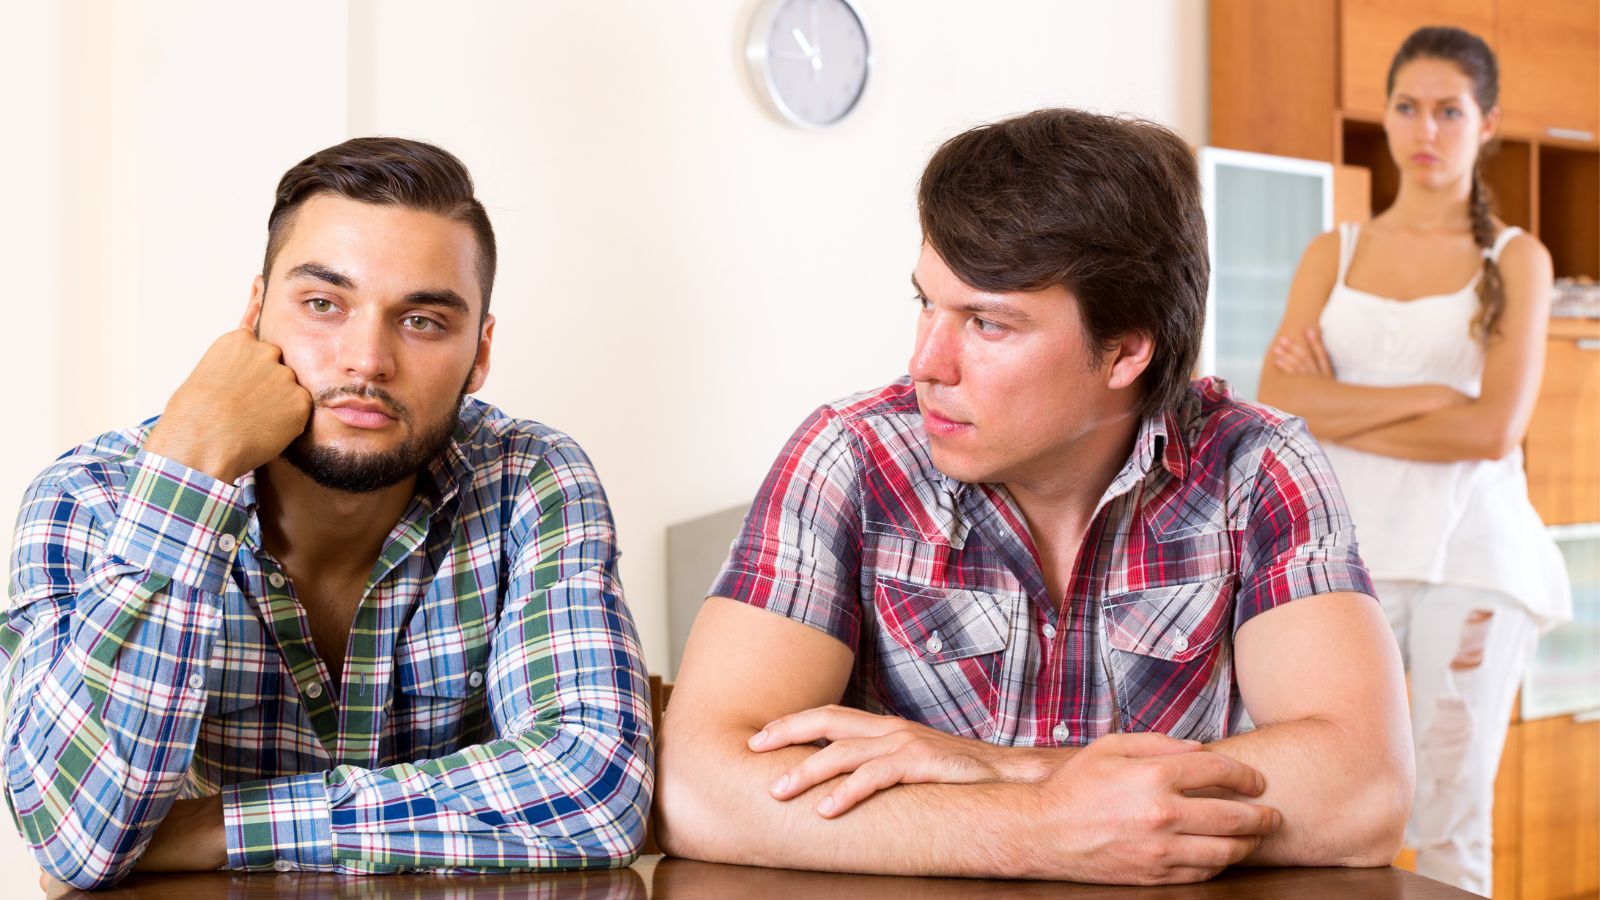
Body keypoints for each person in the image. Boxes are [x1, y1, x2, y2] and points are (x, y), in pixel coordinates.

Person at [657, 108, 1413, 885]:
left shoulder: (1257, 466)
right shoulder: (850, 457)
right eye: (926, 303)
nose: (926, 362)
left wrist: (991, 767)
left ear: (1124, 350)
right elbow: (698, 789)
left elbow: (1362, 790)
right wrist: (1038, 828)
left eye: (986, 324)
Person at [2, 138, 652, 889]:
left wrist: (223, 826)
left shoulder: (529, 480)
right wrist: (188, 467)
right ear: (253, 316)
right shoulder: (95, 497)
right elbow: (71, 840)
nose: (366, 359)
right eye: (322, 305)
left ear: (479, 352)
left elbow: (595, 793)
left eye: (423, 321)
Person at [1257, 26, 1571, 895]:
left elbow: (1491, 434)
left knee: (1451, 816)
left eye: (1448, 110)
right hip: (1349, 565)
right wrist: (1435, 397)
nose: (1425, 129)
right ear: (1386, 118)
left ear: (1487, 122)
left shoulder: (1518, 261)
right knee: (1331, 811)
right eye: (1407, 107)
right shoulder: (1335, 253)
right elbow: (1287, 405)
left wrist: (1344, 413)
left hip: (1471, 563)